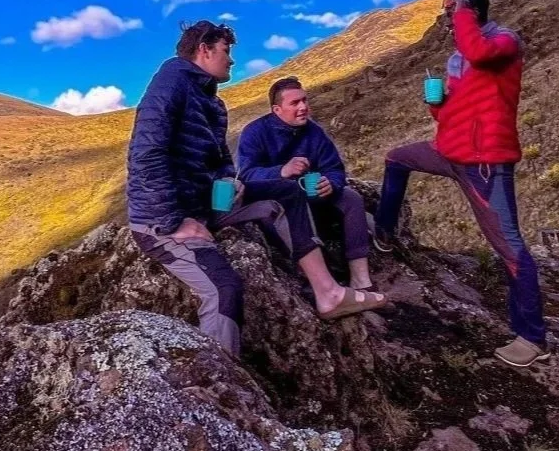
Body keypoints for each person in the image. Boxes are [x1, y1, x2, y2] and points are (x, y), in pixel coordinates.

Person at [127, 20, 385, 357]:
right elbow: (147, 154)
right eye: (226, 51)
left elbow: (221, 158)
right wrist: (174, 221)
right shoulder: (170, 83)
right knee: (224, 288)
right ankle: (220, 385)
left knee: (287, 193)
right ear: (204, 50)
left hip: (207, 206)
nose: (231, 60)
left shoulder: (211, 102)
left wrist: (225, 178)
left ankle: (329, 293)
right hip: (161, 222)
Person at [372, 0, 550, 367]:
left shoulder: (504, 42)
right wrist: (437, 105)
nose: (447, 17)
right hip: (448, 152)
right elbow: (450, 115)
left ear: (472, 11)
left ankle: (532, 338)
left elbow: (481, 53)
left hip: (485, 162)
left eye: (451, 10)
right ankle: (384, 233)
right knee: (395, 159)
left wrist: (464, 11)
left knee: (510, 247)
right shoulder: (457, 60)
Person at [237, 76, 374, 292]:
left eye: (304, 100)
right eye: (295, 103)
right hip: (279, 204)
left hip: (313, 197)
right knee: (289, 206)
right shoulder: (255, 132)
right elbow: (245, 175)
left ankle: (361, 280)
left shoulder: (314, 132)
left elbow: (334, 168)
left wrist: (332, 183)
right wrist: (281, 171)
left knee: (351, 198)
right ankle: (314, 281)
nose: (303, 107)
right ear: (277, 109)